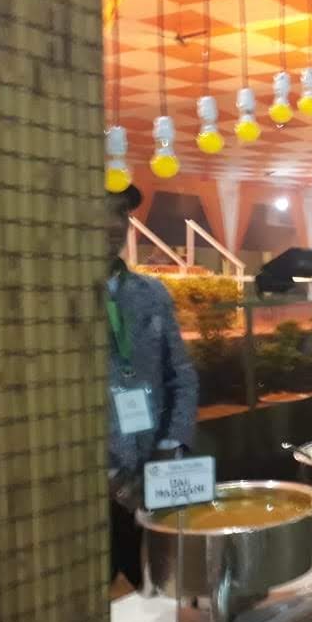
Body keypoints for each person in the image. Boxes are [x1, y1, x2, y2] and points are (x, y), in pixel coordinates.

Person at [105, 183, 198, 588]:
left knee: (163, 591)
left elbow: (182, 375)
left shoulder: (151, 293)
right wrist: (110, 475)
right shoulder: (49, 299)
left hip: (153, 476)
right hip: (86, 491)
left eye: (120, 213)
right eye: (99, 210)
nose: (113, 224)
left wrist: (172, 444)